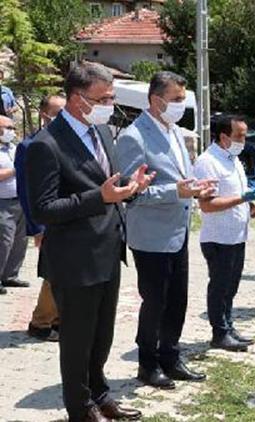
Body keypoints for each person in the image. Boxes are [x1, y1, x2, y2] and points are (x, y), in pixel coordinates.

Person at [26, 62, 151, 422]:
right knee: (77, 340)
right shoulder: (45, 145)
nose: (111, 104)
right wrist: (102, 197)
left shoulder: (101, 133)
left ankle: (100, 394)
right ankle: (80, 408)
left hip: (108, 251)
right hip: (74, 260)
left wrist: (130, 186)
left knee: (102, 336)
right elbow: (44, 208)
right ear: (79, 99)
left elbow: (103, 181)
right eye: (105, 98)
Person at [116, 71, 215, 390]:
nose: (181, 105)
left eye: (183, 99)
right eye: (176, 99)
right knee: (155, 302)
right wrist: (177, 192)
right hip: (150, 236)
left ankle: (170, 356)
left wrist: (196, 187)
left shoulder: (172, 131)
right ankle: (147, 364)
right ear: (155, 100)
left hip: (178, 232)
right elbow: (131, 193)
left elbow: (176, 180)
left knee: (178, 300)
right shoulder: (133, 137)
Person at [193, 115, 255, 352]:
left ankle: (228, 325)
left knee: (231, 285)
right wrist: (243, 198)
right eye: (240, 136)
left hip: (236, 235)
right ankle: (219, 332)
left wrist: (250, 204)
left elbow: (236, 191)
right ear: (223, 137)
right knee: (220, 286)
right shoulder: (208, 162)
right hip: (218, 237)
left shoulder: (233, 159)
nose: (244, 141)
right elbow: (207, 205)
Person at [16, 94, 66, 341]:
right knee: (53, 272)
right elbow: (26, 190)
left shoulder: (66, 141)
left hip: (65, 218)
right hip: (46, 221)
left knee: (63, 270)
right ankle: (41, 322)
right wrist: (36, 227)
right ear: (45, 115)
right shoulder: (29, 146)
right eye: (58, 112)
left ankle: (56, 320)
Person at [0, 115, 29, 294]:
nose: (11, 131)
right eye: (7, 127)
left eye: (12, 127)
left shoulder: (14, 148)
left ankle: (10, 275)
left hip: (20, 200)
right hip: (3, 202)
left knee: (20, 240)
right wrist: (16, 169)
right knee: (4, 241)